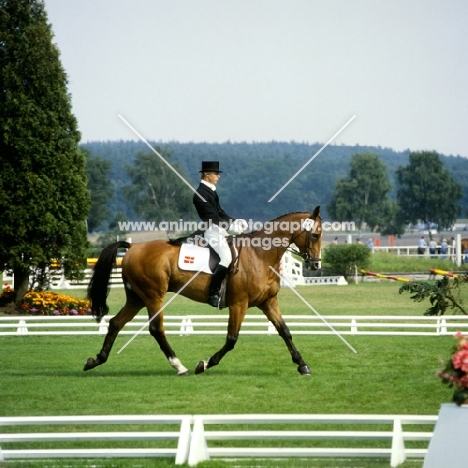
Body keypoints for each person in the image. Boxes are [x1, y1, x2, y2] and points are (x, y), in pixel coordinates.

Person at [193, 161, 246, 308]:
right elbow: (212, 218)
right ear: (206, 174)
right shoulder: (200, 194)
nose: (218, 176)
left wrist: (235, 221)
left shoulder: (211, 191)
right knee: (227, 258)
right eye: (216, 174)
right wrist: (230, 227)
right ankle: (213, 293)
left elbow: (220, 212)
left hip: (219, 230)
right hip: (211, 231)